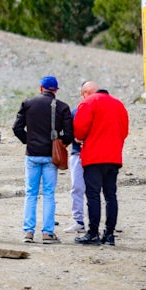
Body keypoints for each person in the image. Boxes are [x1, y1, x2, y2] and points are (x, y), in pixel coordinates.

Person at [12, 75, 73, 244]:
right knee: (48, 194)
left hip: (32, 154)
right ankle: (47, 233)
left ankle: (28, 233)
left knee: (30, 193)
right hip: (50, 157)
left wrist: (28, 140)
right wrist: (61, 144)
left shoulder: (28, 103)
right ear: (55, 90)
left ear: (41, 88)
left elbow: (16, 128)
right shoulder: (62, 107)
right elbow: (69, 134)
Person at [73, 81, 130, 246]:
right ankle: (110, 234)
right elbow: (124, 131)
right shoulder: (119, 104)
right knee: (111, 196)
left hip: (93, 157)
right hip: (113, 157)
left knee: (93, 195)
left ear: (86, 92)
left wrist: (81, 138)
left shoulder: (88, 102)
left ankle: (93, 233)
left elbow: (80, 128)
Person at [64, 96, 86, 234]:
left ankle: (89, 222)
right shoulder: (75, 112)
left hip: (90, 154)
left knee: (89, 189)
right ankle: (79, 221)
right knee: (77, 188)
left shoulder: (76, 112)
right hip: (78, 153)